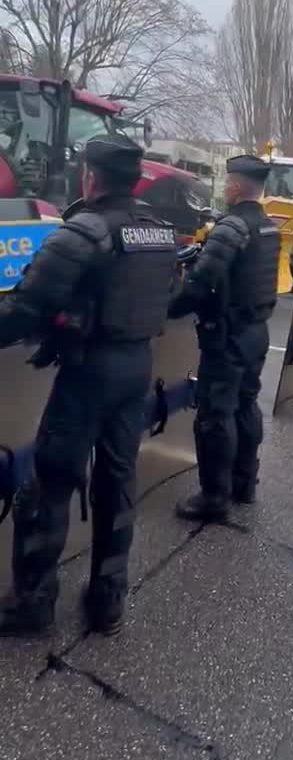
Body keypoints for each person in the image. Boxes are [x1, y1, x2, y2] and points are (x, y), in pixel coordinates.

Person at [0, 137, 177, 637]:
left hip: (89, 373)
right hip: (136, 366)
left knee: (49, 485)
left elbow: (23, 308)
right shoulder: (159, 231)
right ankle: (108, 602)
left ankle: (32, 604)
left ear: (90, 177)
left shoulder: (84, 230)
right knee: (117, 480)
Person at [172, 155, 280, 521]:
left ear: (235, 185)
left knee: (216, 414)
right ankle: (244, 484)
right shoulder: (268, 226)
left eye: (226, 182)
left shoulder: (231, 227)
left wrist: (168, 308)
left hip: (227, 335)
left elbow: (201, 283)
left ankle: (214, 497)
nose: (224, 188)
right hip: (256, 330)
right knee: (246, 405)